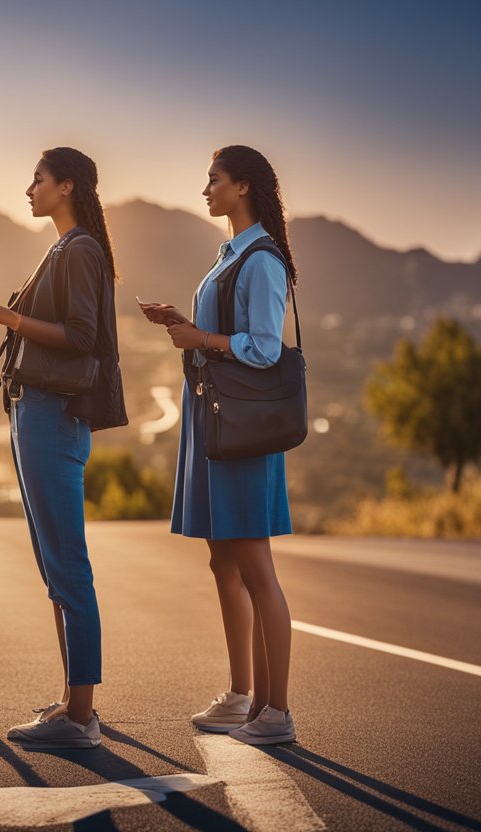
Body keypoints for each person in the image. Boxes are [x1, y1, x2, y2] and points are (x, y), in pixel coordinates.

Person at [0, 147, 126, 749]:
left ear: (66, 186)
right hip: (32, 411)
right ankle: (73, 701)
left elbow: (80, 338)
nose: (28, 189)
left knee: (68, 565)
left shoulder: (82, 250)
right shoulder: (66, 248)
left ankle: (82, 717)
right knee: (53, 566)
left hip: (52, 416)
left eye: (37, 179)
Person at [141, 145, 298, 745]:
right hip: (216, 421)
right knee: (223, 561)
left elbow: (263, 346)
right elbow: (226, 336)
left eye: (214, 180)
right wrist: (186, 326)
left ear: (243, 187)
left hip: (241, 429)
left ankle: (275, 711)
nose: (205, 189)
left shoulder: (261, 260)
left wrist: (198, 336)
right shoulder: (230, 255)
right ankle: (241, 696)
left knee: (255, 566)